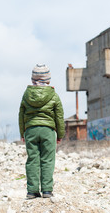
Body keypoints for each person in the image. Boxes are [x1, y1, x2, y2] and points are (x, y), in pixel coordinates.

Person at [18, 64, 65, 199]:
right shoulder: (53, 95)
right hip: (48, 130)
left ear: (33, 80)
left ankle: (32, 191)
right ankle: (47, 191)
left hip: (31, 130)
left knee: (32, 159)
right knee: (47, 160)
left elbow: (21, 114)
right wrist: (60, 134)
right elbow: (59, 117)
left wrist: (23, 132)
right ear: (48, 80)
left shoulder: (26, 94)